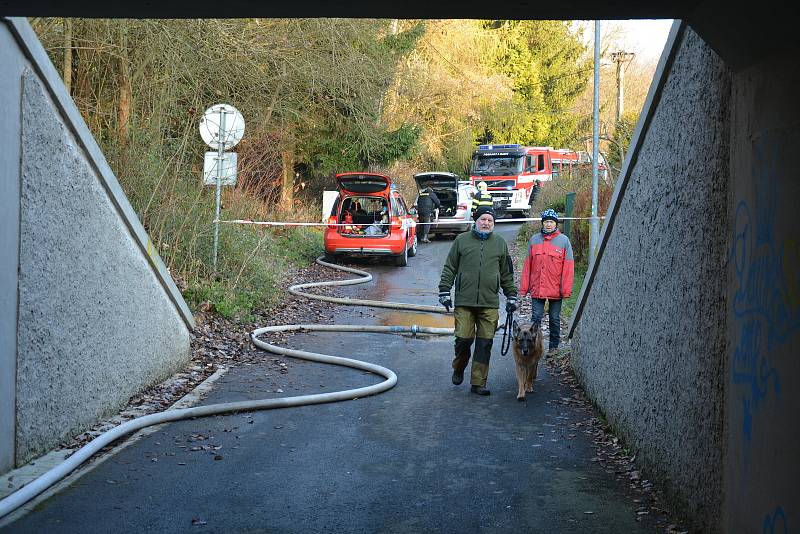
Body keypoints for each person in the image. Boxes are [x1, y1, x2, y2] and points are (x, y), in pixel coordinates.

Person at [438, 206, 517, 395]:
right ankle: (459, 367)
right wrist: (444, 291)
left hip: (489, 302)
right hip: (464, 301)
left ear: (493, 224)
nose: (486, 223)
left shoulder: (500, 243)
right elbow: (450, 267)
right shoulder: (461, 240)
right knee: (463, 339)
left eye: (490, 220)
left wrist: (511, 295)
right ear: (476, 221)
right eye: (483, 219)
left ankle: (478, 382)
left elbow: (506, 273)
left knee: (484, 344)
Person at [520, 208, 574, 354]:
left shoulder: (564, 241)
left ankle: (553, 348)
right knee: (536, 319)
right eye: (546, 222)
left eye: (551, 222)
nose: (549, 225)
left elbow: (568, 267)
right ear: (542, 223)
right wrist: (524, 288)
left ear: (556, 224)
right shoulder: (534, 240)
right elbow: (527, 266)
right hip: (537, 288)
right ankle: (534, 347)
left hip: (556, 289)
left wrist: (566, 289)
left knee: (554, 319)